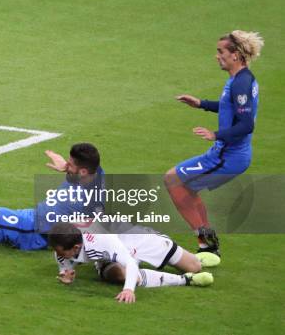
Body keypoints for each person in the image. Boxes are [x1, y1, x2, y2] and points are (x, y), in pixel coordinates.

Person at [164, 30, 264, 256]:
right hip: (223, 153)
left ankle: (206, 244)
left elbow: (247, 124)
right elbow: (230, 107)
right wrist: (201, 104)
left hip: (228, 157)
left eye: (221, 51)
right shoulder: (241, 79)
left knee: (173, 180)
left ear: (236, 55)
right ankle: (207, 241)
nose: (216, 56)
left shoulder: (240, 84)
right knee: (184, 185)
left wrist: (216, 134)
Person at [48, 222, 220, 304]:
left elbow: (130, 262)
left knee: (195, 267)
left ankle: (198, 259)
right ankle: (186, 280)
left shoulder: (102, 242)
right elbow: (63, 259)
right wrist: (66, 272)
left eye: (61, 252)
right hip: (109, 253)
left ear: (76, 246)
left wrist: (128, 290)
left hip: (136, 239)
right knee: (121, 275)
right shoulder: (67, 238)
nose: (58, 255)